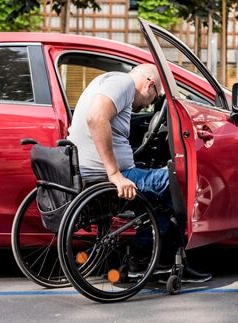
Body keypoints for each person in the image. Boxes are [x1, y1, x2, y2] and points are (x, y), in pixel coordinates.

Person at [67, 63, 211, 283]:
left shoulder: (108, 80)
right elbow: (96, 118)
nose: (148, 107)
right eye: (153, 100)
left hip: (90, 170)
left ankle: (144, 259)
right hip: (105, 175)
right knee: (179, 182)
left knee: (161, 196)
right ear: (149, 85)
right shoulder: (122, 83)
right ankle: (151, 259)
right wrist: (115, 173)